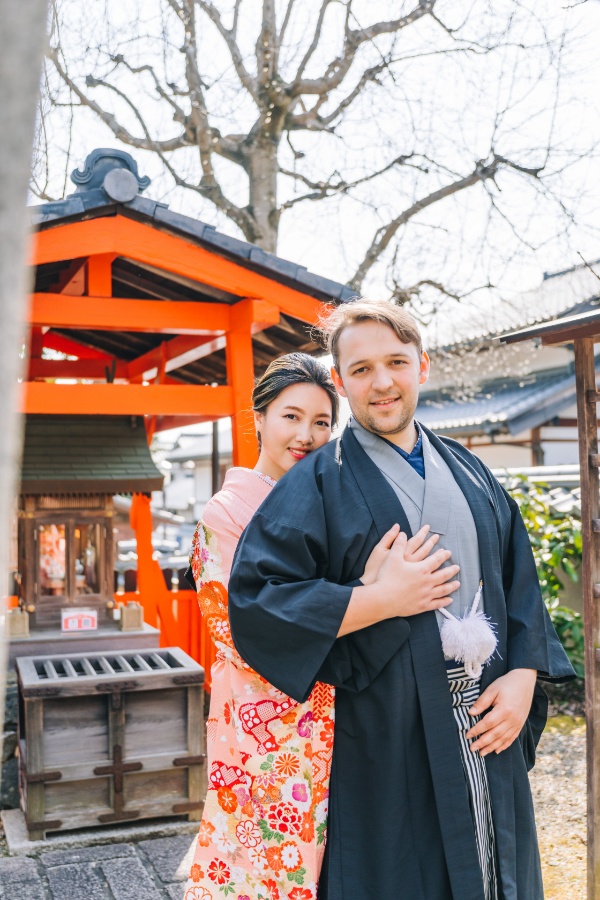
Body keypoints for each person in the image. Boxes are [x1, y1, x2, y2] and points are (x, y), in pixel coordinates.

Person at [228, 300, 575, 900]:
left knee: (500, 875)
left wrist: (522, 676)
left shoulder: (472, 472)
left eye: (396, 362)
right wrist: (381, 598)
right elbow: (260, 601)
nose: (382, 382)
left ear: (423, 366)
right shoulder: (318, 483)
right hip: (387, 726)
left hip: (491, 713)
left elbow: (520, 581)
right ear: (339, 381)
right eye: (360, 370)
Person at [184, 352, 389, 900]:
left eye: (322, 421)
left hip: (335, 704)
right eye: (291, 416)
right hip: (262, 718)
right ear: (260, 418)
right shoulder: (225, 513)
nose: (307, 435)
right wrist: (362, 597)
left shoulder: (333, 497)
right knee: (265, 867)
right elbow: (234, 628)